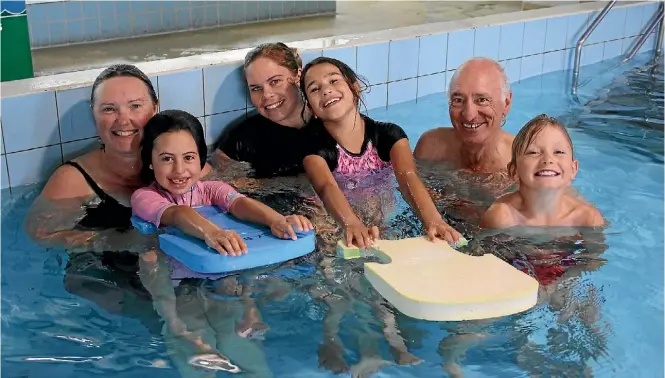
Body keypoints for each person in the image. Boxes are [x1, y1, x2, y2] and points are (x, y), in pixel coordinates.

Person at [131, 109, 313, 339]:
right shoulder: (143, 197)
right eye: (167, 159)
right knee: (150, 260)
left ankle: (248, 310)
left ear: (200, 159)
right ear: (149, 161)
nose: (179, 170)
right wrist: (212, 232)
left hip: (217, 272)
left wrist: (276, 219)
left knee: (269, 286)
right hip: (177, 281)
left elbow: (239, 203)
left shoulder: (211, 189)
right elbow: (177, 213)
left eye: (189, 157)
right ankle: (173, 322)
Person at [300, 56, 463, 248]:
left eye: (334, 80)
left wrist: (433, 220)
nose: (326, 90)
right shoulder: (311, 148)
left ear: (355, 87)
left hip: (380, 217)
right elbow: (326, 186)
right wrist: (350, 222)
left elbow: (407, 176)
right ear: (312, 109)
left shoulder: (389, 135)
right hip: (331, 220)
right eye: (314, 89)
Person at [480, 114, 605, 229]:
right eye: (533, 152)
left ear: (573, 169)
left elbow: (594, 252)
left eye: (559, 152)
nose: (548, 160)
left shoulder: (587, 219)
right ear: (514, 170)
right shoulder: (501, 217)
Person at [214, 42, 314, 178]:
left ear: (298, 76)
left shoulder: (328, 122)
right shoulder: (243, 139)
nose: (266, 95)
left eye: (275, 81)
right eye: (256, 88)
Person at [414, 57, 515, 174]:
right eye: (458, 100)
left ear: (506, 103)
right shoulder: (430, 148)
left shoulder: (522, 164)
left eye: (482, 100)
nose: (469, 115)